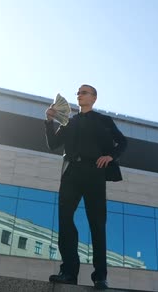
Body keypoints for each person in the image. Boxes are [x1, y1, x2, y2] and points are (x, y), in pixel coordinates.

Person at [45, 84, 127, 290]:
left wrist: (111, 156)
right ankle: (69, 272)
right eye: (78, 93)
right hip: (71, 173)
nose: (79, 95)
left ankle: (100, 277)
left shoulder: (103, 120)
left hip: (94, 172)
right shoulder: (69, 122)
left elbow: (123, 142)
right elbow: (53, 144)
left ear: (94, 98)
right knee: (64, 219)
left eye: (84, 92)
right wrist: (48, 121)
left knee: (97, 224)